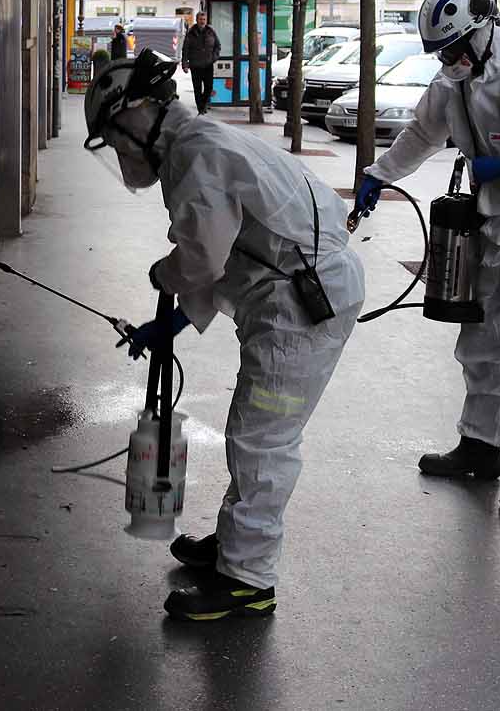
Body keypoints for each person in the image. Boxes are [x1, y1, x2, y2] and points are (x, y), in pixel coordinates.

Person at [85, 50, 365, 622]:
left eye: (115, 136)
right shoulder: (198, 142)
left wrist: (166, 278)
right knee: (251, 430)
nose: (118, 150)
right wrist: (175, 321)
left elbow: (203, 258)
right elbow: (232, 249)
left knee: (263, 439)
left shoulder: (195, 155)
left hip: (301, 302)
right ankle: (235, 547)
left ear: (137, 114)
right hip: (291, 290)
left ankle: (248, 581)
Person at [356, 0, 500, 512]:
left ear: (484, 33)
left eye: (456, 50)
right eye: (442, 54)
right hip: (489, 227)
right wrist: (379, 175)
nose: (451, 62)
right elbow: (420, 135)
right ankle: (479, 449)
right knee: (482, 344)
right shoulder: (451, 85)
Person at [181, 10, 221, 115]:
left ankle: (202, 105)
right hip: (195, 65)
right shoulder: (191, 33)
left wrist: (214, 57)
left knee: (209, 88)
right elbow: (185, 49)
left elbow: (218, 46)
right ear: (196, 20)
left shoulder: (211, 31)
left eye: (204, 19)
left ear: (206, 20)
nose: (202, 21)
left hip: (208, 65)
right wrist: (185, 64)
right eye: (200, 19)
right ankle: (201, 109)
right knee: (197, 89)